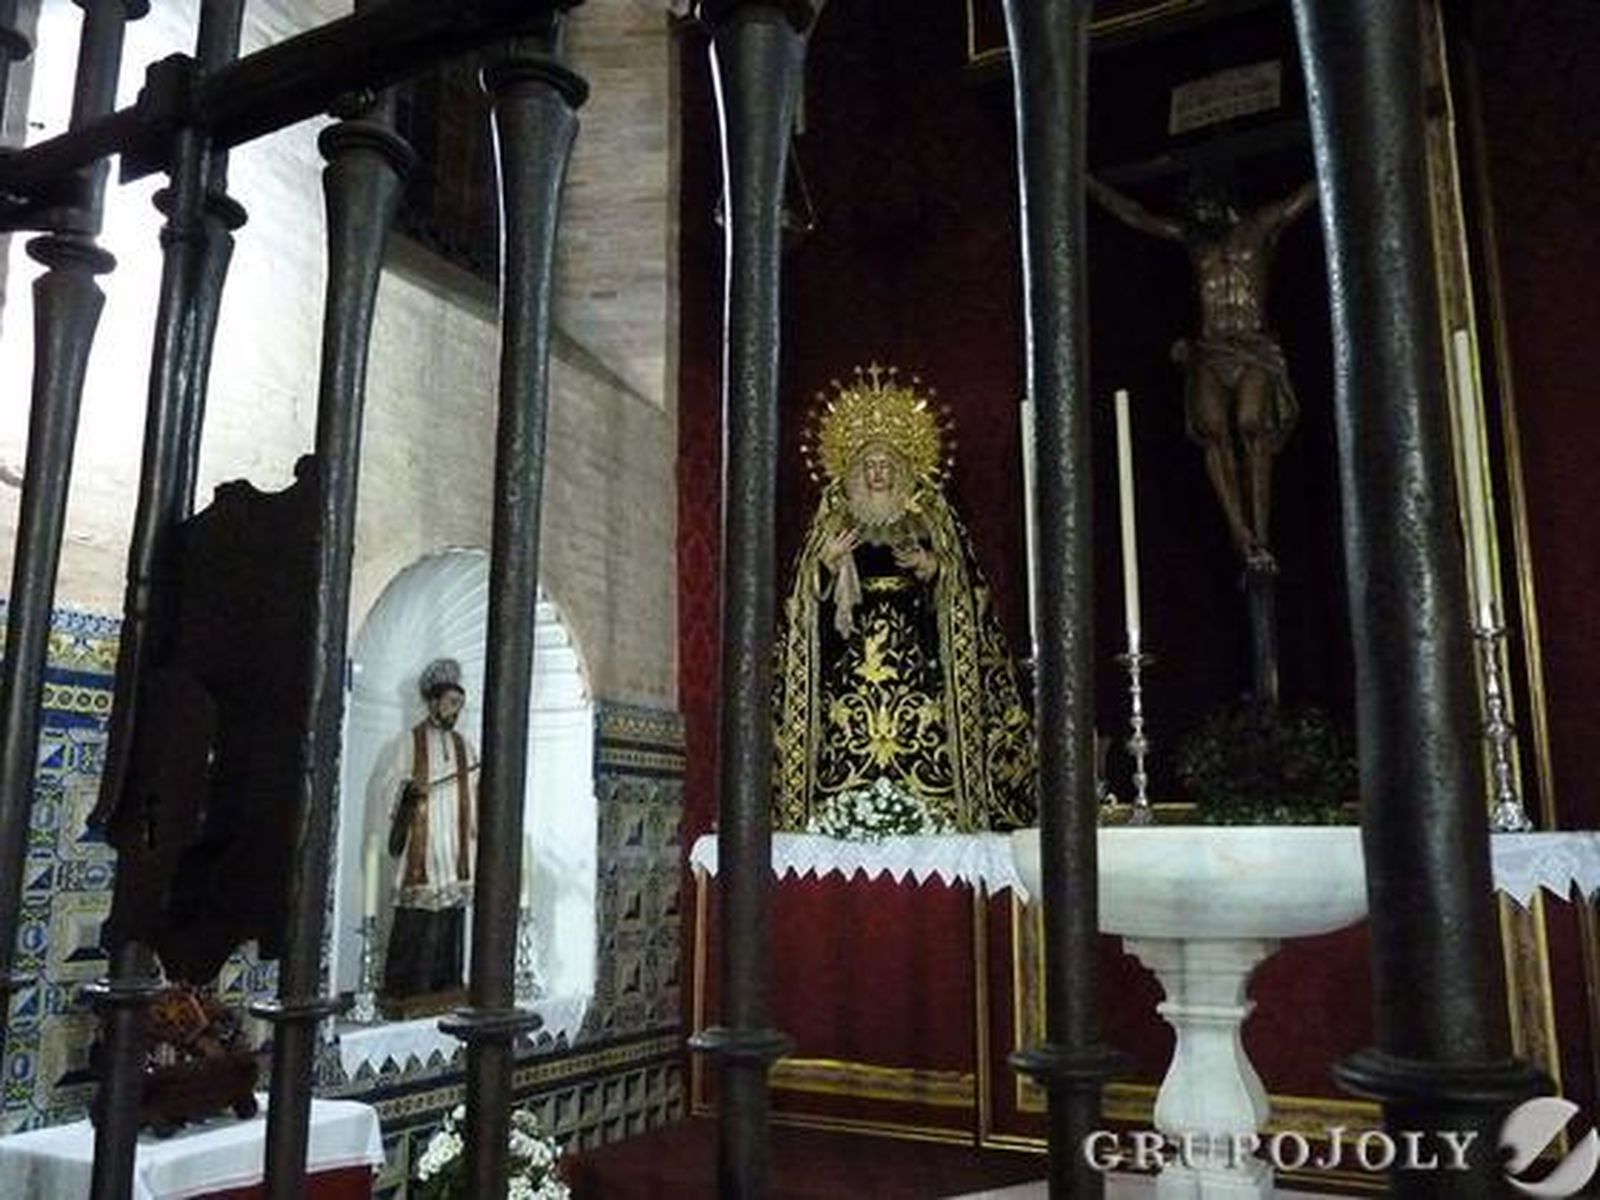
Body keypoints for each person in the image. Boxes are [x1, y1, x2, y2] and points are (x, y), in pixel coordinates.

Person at [772, 365, 1036, 834]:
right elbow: (804, 605)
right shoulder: (834, 518)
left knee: (928, 726)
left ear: (902, 469)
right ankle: (839, 807)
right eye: (869, 467)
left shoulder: (931, 515)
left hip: (917, 663)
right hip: (850, 668)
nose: (878, 475)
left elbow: (964, 589)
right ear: (855, 471)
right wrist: (827, 566)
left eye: (886, 466)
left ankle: (935, 804)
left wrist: (935, 570)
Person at [1088, 171, 1318, 571]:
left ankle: (1260, 532)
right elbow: (1135, 215)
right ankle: (1240, 533)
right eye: (1192, 209)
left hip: (1252, 346)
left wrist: (1339, 151)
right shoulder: (1195, 239)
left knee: (1251, 426)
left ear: (1222, 201)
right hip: (1210, 349)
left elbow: (1308, 193)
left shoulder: (1260, 226)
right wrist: (1087, 182)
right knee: (1213, 433)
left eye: (1202, 205)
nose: (1196, 214)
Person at [378, 657, 478, 1004]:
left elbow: (478, 791)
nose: (455, 711)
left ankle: (445, 984)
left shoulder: (466, 746)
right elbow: (390, 784)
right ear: (433, 702)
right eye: (451, 703)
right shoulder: (410, 741)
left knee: (451, 915)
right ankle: (408, 987)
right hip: (424, 838)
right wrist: (408, 791)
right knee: (417, 915)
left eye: (459, 706)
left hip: (454, 846)